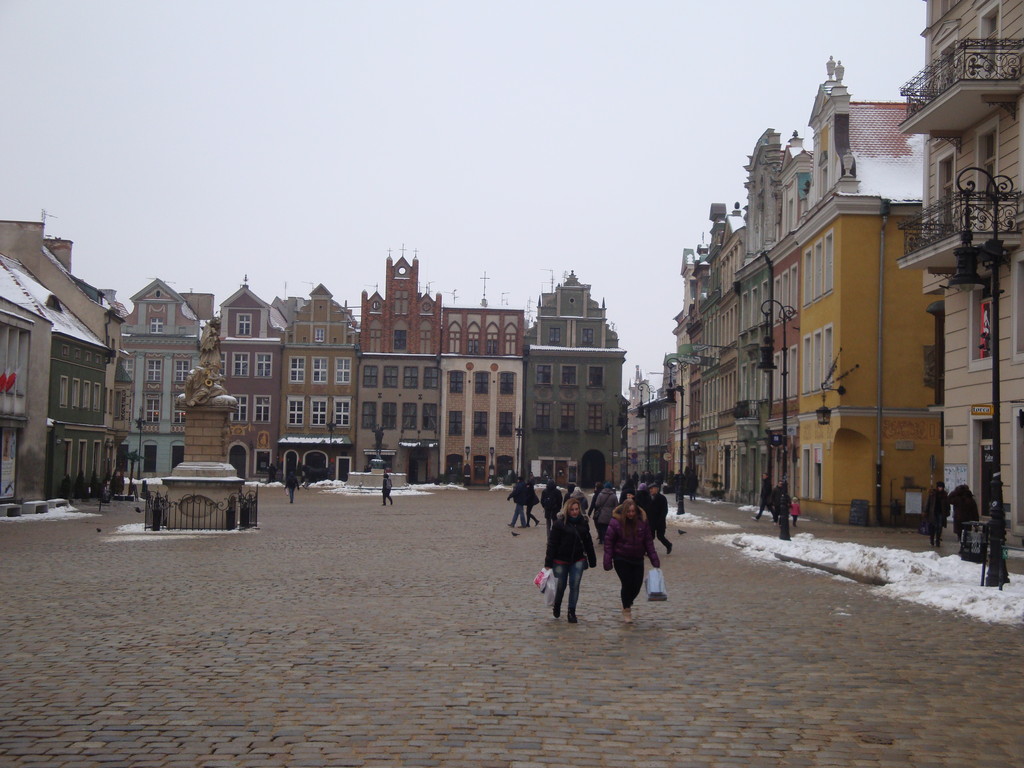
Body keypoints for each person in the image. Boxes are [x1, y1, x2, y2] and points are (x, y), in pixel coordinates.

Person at [603, 498, 661, 623]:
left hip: (637, 558)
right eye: (628, 511)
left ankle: (628, 601)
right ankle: (627, 609)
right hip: (621, 558)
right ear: (624, 512)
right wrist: (608, 560)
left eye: (633, 511)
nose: (631, 514)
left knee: (636, 585)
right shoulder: (615, 522)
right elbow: (608, 542)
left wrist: (654, 559)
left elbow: (648, 542)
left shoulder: (642, 522)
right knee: (627, 583)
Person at [544, 497, 597, 623]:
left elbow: (588, 542)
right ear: (567, 510)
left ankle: (571, 611)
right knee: (561, 586)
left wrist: (592, 559)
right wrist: (548, 563)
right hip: (560, 560)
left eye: (576, 509)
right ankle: (557, 605)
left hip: (577, 560)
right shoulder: (559, 524)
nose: (574, 512)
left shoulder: (583, 523)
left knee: (575, 586)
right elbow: (552, 544)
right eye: (572, 509)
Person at [646, 482, 672, 554]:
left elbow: (664, 510)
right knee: (650, 537)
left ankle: (668, 545)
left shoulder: (662, 498)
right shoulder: (648, 498)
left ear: (657, 489)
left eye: (652, 489)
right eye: (649, 489)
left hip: (660, 521)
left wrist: (660, 519)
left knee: (660, 536)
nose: (650, 490)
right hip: (651, 521)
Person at [924, 480, 949, 546]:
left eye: (941, 487)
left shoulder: (945, 495)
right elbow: (928, 503)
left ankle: (938, 540)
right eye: (939, 487)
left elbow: (947, 505)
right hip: (933, 513)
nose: (940, 488)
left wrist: (947, 512)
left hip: (941, 513)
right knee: (933, 527)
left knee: (939, 527)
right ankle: (932, 539)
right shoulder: (932, 494)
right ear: (937, 487)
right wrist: (926, 511)